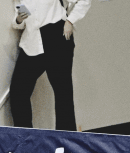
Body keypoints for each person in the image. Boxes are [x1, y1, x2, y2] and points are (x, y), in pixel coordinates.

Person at [9, 0, 89, 131]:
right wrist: (18, 20)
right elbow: (22, 20)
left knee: (63, 94)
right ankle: (26, 141)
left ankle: (66, 144)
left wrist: (70, 21)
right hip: (32, 42)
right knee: (18, 92)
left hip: (56, 35)